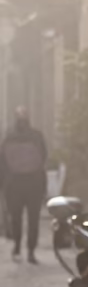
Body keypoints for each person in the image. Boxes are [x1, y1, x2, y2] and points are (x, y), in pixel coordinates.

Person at [0, 107, 48, 265]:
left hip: (14, 185)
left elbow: (3, 164)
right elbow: (43, 159)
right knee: (32, 219)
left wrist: (4, 184)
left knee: (16, 218)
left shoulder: (9, 138)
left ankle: (18, 246)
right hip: (33, 183)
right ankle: (30, 250)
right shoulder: (36, 136)